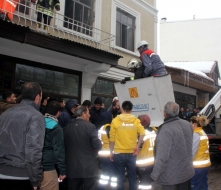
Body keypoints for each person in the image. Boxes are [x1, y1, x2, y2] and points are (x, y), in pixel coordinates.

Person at [0, 82, 45, 190]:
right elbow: (33, 151)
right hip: (21, 176)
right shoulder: (36, 116)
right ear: (38, 96)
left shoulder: (5, 114)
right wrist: (35, 180)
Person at [151, 101, 194, 190]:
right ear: (178, 112)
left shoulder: (165, 129)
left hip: (170, 178)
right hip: (186, 173)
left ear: (164, 113)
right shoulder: (187, 124)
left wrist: (154, 176)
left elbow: (162, 157)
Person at [109, 100, 145, 190]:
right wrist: (137, 146)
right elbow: (142, 133)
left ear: (122, 109)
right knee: (132, 177)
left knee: (120, 178)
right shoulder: (136, 121)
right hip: (131, 153)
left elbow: (112, 139)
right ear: (131, 110)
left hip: (118, 153)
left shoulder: (115, 121)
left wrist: (111, 152)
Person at [64, 105, 102, 190]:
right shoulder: (90, 127)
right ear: (83, 114)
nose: (90, 115)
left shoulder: (66, 129)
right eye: (88, 113)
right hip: (89, 168)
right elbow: (97, 145)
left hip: (71, 169)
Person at [40, 101, 66, 190]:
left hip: (32, 167)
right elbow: (59, 150)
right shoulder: (56, 128)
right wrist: (62, 171)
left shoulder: (38, 122)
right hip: (48, 168)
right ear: (58, 112)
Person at [190, 116, 211, 190]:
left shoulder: (196, 134)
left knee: (195, 186)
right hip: (205, 165)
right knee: (203, 186)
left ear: (194, 124)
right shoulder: (202, 132)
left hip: (198, 167)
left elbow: (192, 151)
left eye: (190, 123)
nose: (190, 125)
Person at [98, 111, 117, 190]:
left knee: (105, 173)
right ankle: (112, 188)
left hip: (103, 154)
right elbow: (112, 140)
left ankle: (101, 188)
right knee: (113, 175)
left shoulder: (101, 128)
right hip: (109, 154)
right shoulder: (109, 127)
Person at [136, 114, 156, 190]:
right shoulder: (154, 130)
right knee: (146, 182)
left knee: (145, 184)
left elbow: (137, 146)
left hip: (143, 162)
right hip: (152, 161)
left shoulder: (141, 133)